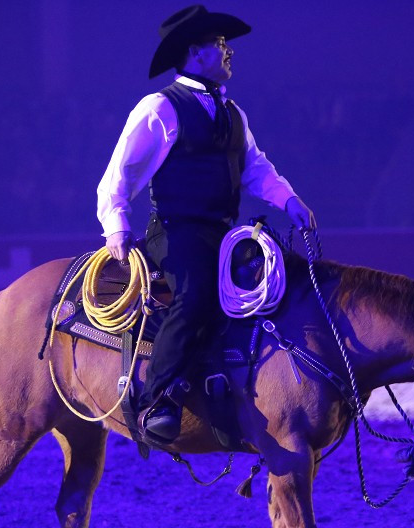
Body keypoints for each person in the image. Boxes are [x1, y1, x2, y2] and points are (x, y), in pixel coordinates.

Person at [96, 5, 316, 443]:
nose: (228, 51)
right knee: (196, 296)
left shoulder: (233, 113)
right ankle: (157, 400)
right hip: (176, 231)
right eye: (220, 44)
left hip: (222, 232)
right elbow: (119, 172)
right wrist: (116, 224)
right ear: (195, 53)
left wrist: (289, 199)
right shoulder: (160, 107)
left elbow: (256, 168)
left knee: (274, 291)